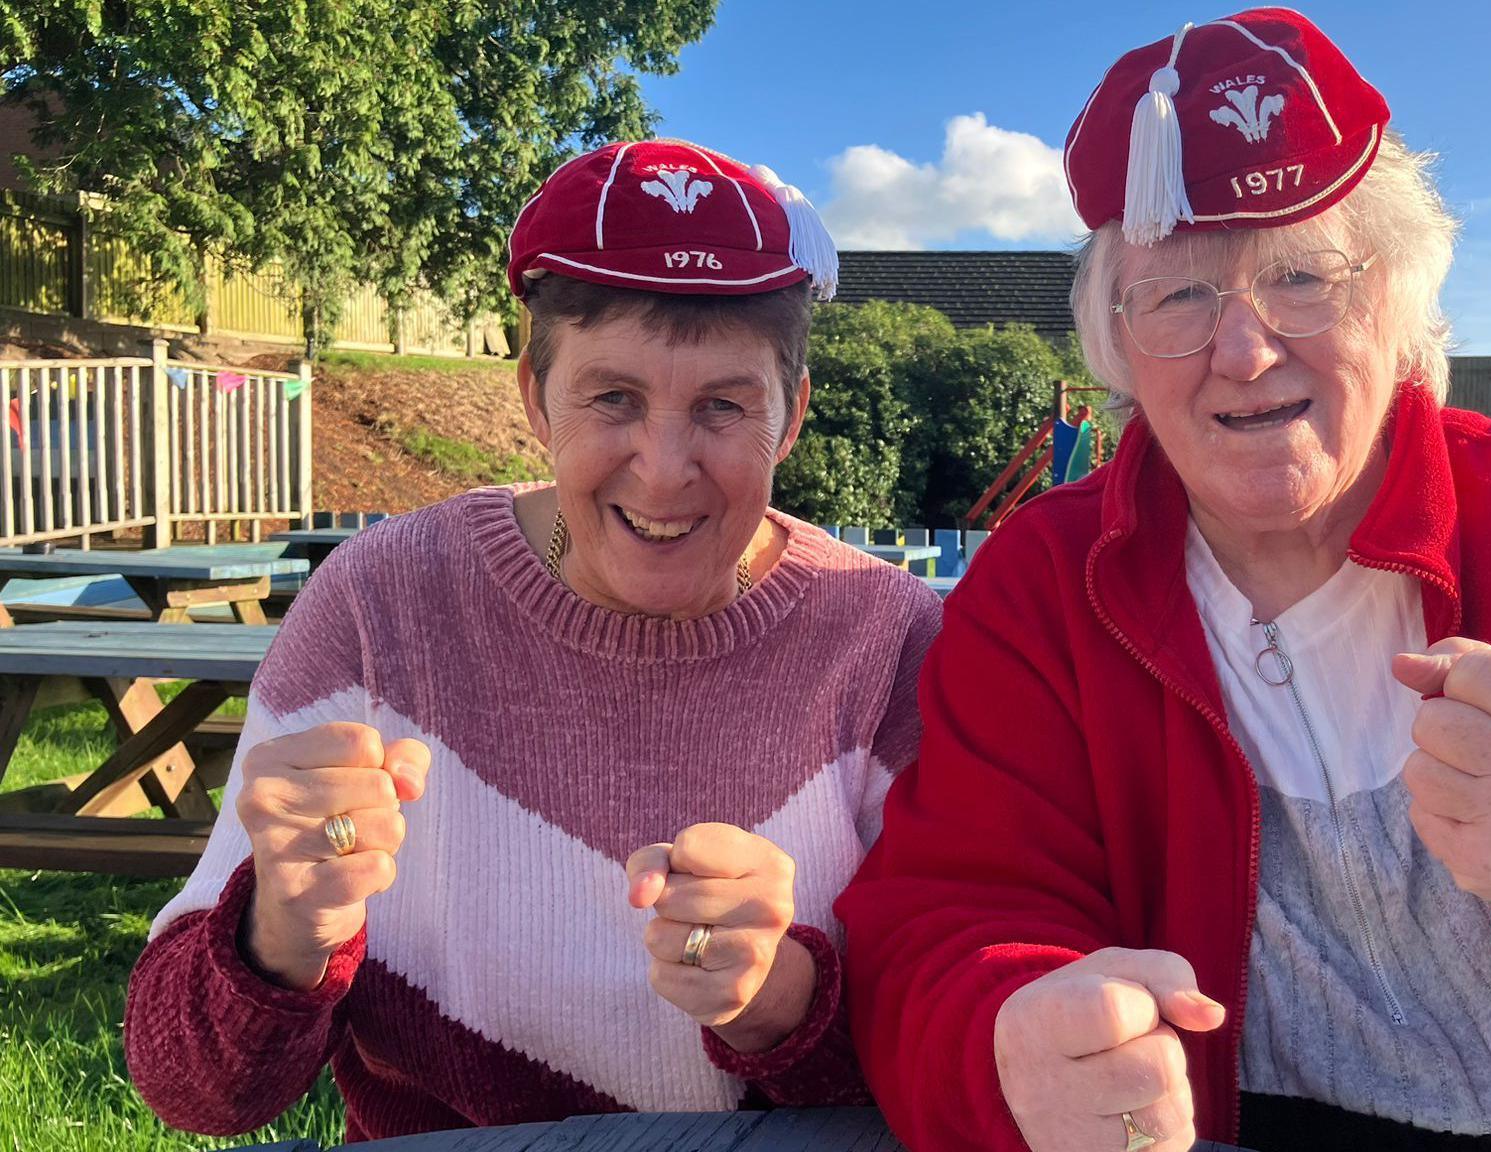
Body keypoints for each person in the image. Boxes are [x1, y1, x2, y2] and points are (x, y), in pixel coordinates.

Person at [837, 10, 1491, 1151]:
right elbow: (936, 927)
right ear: (1115, 337)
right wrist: (1004, 1037)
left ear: (1396, 303)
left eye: (1301, 276)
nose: (1244, 352)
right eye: (1179, 297)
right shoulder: (1045, 585)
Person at [125, 139, 941, 1141]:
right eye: (613, 399)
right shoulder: (381, 606)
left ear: (791, 416)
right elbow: (197, 1094)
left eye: (724, 407)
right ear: (532, 399)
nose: (663, 469)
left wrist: (782, 1001)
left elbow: (946, 1059)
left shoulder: (889, 639)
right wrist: (281, 932)